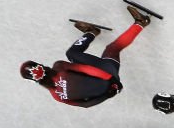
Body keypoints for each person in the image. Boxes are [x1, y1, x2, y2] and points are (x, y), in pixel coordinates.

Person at [19, 6, 150, 108]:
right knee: (78, 53)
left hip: (109, 87)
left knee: (112, 50)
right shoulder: (59, 67)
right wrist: (112, 80)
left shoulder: (57, 96)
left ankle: (93, 32)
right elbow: (85, 69)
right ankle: (139, 22)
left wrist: (109, 93)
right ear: (40, 65)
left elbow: (85, 104)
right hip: (107, 75)